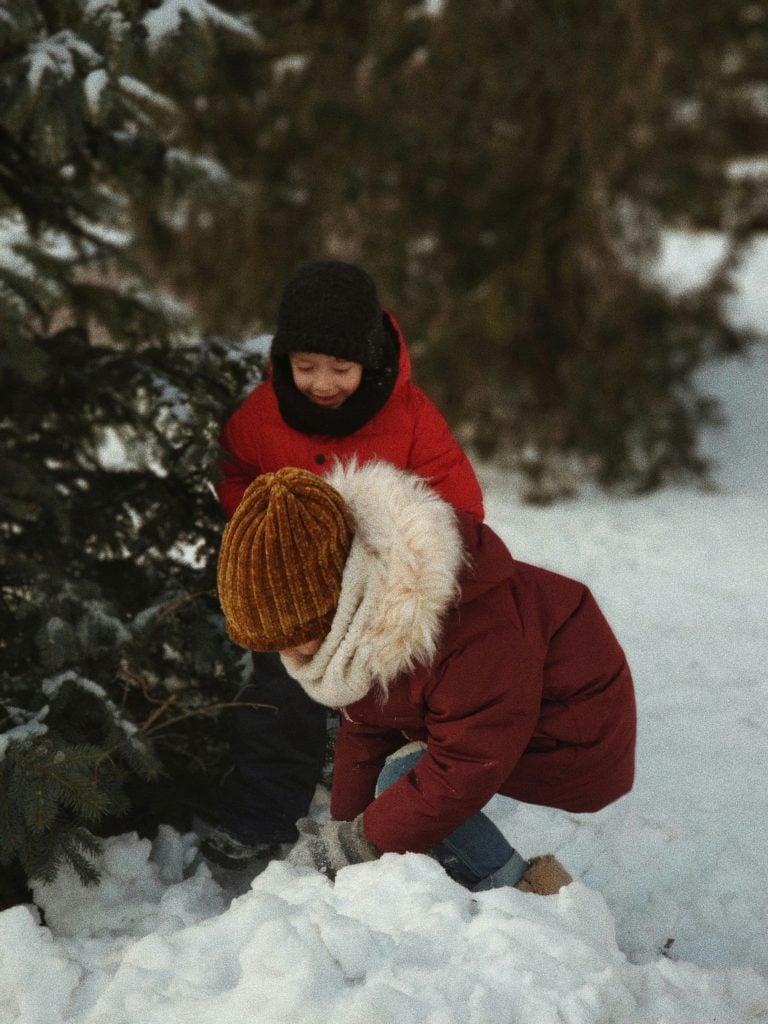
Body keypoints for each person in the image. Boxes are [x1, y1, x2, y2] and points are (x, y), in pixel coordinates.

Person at [215, 461, 638, 895]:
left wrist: (362, 841)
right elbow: (366, 726)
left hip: (575, 731)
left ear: (337, 600)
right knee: (398, 798)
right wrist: (344, 833)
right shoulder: (368, 606)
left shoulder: (468, 629)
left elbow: (465, 766)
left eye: (297, 636)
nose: (290, 654)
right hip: (498, 714)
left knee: (405, 777)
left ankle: (526, 895)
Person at [202, 260, 484, 881]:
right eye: (305, 367)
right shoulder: (259, 416)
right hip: (294, 594)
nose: (322, 383)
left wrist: (415, 557)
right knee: (277, 696)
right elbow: (235, 474)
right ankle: (262, 810)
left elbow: (458, 504)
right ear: (284, 360)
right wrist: (265, 524)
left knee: (389, 698)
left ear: (370, 358)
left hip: (378, 591)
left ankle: (393, 802)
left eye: (341, 368)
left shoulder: (409, 417)